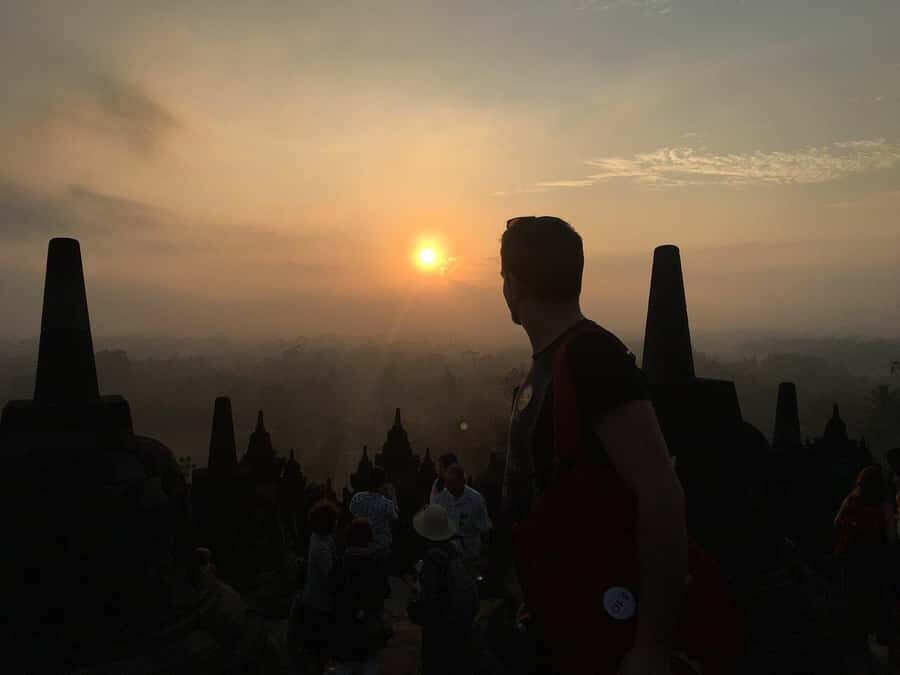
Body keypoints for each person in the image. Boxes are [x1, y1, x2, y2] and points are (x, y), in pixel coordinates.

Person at [495, 216, 688, 675]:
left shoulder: (591, 358)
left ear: (513, 283)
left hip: (609, 629)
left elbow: (661, 493)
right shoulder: (549, 364)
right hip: (563, 616)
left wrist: (652, 647)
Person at [408, 504, 480, 675]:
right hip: (459, 627)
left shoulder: (433, 558)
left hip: (441, 630)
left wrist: (414, 607)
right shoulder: (455, 551)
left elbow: (430, 602)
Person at [834, 465, 897, 651]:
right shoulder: (883, 504)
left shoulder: (851, 500)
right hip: (873, 556)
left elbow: (837, 523)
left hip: (851, 556)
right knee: (879, 599)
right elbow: (891, 537)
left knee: (857, 600)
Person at [329, 518, 392, 675]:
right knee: (369, 664)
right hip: (369, 624)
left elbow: (331, 591)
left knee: (344, 667)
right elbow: (385, 591)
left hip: (344, 625)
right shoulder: (375, 564)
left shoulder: (339, 564)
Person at [289, 500, 338, 675]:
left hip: (314, 600)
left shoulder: (318, 538)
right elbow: (331, 577)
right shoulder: (321, 546)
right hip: (319, 603)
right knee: (319, 650)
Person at [432, 463, 493, 562]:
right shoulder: (444, 496)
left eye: (453, 484)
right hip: (448, 549)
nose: (450, 488)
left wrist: (484, 556)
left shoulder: (476, 500)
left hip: (469, 552)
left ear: (463, 482)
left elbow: (485, 529)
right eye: (448, 484)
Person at [349, 469, 399, 578]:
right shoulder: (386, 504)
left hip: (359, 546)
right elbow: (395, 517)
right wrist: (392, 496)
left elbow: (351, 512)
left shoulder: (357, 498)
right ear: (383, 485)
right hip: (381, 549)